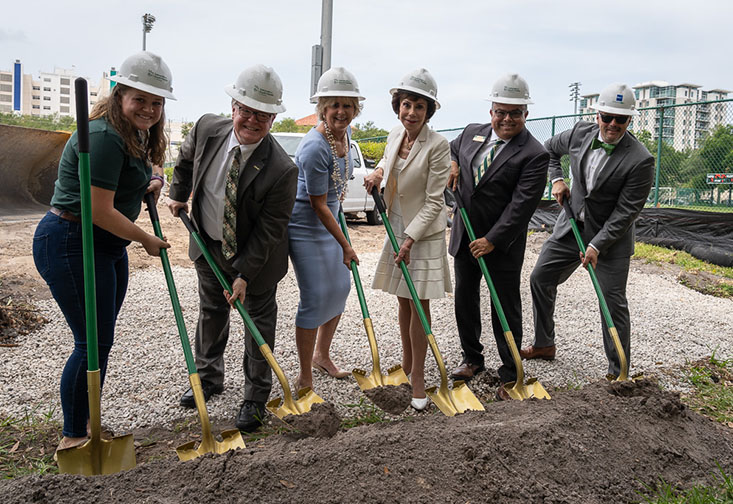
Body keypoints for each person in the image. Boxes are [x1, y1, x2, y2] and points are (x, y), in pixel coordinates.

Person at [32, 51, 174, 454]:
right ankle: (75, 435)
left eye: (156, 102)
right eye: (140, 99)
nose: (148, 108)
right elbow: (97, 209)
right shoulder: (104, 136)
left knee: (101, 339)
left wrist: (152, 181)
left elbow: (139, 173)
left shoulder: (135, 132)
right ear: (119, 95)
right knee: (90, 342)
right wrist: (146, 238)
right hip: (71, 239)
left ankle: (87, 419)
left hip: (107, 244)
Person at [167, 65, 297, 433]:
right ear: (234, 105)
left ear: (273, 117)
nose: (252, 120)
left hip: (257, 258)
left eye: (263, 114)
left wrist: (243, 274)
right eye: (247, 109)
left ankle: (256, 397)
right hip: (208, 242)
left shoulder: (282, 170)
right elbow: (186, 159)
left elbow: (271, 229)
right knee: (211, 312)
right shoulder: (208, 128)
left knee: (257, 322)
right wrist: (178, 195)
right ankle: (209, 379)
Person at [522, 83, 654, 377]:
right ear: (598, 115)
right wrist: (556, 180)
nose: (612, 124)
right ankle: (544, 344)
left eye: (620, 119)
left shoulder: (640, 159)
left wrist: (596, 246)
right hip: (572, 226)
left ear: (630, 120)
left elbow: (626, 212)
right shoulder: (579, 133)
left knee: (612, 302)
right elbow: (548, 151)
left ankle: (618, 371)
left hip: (611, 240)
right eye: (607, 117)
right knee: (541, 278)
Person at [446, 74, 549, 401]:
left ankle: (510, 372)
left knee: (504, 305)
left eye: (515, 113)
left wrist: (492, 239)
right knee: (465, 298)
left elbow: (521, 207)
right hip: (465, 235)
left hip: (500, 244)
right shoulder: (470, 133)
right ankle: (472, 359)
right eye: (500, 111)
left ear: (525, 114)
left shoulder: (534, 154)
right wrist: (451, 163)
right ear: (491, 110)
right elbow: (453, 148)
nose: (506, 119)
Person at [364, 68, 451, 411]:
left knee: (419, 302)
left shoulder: (438, 145)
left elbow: (435, 200)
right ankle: (407, 362)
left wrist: (411, 238)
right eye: (406, 104)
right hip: (396, 223)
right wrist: (378, 172)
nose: (411, 112)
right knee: (402, 298)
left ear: (429, 110)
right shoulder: (394, 134)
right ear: (397, 106)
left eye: (418, 106)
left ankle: (418, 377)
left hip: (423, 232)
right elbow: (387, 163)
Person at [288, 67, 364, 391]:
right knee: (315, 296)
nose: (341, 112)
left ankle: (322, 355)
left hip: (331, 224)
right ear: (322, 107)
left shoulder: (345, 138)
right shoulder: (315, 147)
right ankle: (304, 373)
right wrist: (346, 244)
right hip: (305, 227)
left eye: (347, 106)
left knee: (341, 288)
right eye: (334, 105)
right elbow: (319, 204)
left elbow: (336, 196)